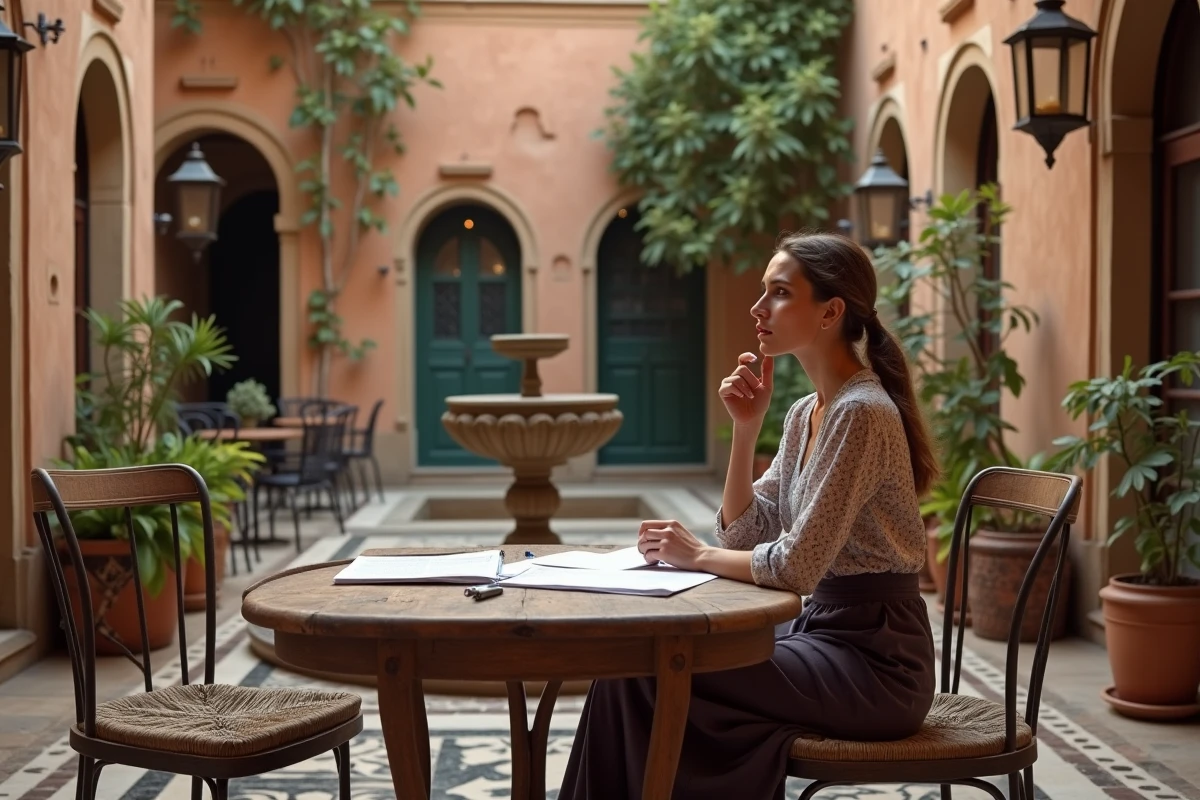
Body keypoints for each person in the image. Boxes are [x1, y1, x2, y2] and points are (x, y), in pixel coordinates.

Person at [557, 232, 940, 800]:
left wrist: (695, 556)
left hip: (877, 663)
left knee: (654, 669)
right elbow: (748, 529)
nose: (758, 309)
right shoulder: (807, 411)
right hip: (824, 635)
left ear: (831, 311)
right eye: (764, 292)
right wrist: (745, 429)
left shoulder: (862, 413)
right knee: (636, 661)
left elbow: (796, 567)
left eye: (780, 293)